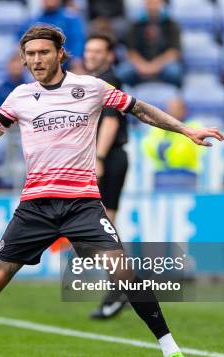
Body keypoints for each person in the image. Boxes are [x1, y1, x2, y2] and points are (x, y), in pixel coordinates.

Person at [0, 25, 224, 357]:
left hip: (82, 204)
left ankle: (172, 352)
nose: (36, 60)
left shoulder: (89, 88)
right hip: (35, 206)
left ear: (60, 53)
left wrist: (186, 129)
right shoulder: (19, 97)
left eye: (43, 53)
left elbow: (140, 110)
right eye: (30, 55)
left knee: (123, 271)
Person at [83, 33, 131, 319]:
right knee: (102, 227)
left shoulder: (108, 80)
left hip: (108, 158)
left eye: (98, 51)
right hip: (106, 158)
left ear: (110, 55)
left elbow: (111, 120)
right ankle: (120, 286)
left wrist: (98, 158)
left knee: (102, 227)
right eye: (89, 50)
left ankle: (121, 287)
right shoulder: (94, 81)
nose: (92, 55)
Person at [142, 98, 203, 190]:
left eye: (176, 108)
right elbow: (147, 145)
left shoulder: (194, 126)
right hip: (162, 175)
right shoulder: (158, 126)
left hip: (186, 175)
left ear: (184, 110)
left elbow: (185, 152)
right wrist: (169, 150)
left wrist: (163, 150)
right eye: (170, 108)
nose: (172, 111)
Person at [117, 0, 182, 86]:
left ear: (162, 3)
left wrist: (154, 66)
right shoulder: (135, 25)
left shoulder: (171, 24)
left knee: (174, 72)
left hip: (164, 64)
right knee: (122, 73)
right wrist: (143, 66)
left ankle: (174, 97)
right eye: (150, 2)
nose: (152, 4)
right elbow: (131, 52)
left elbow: (174, 52)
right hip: (139, 64)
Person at [20, 0, 86, 73]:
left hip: (67, 66)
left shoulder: (70, 18)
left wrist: (76, 60)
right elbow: (20, 42)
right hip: (38, 65)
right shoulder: (33, 20)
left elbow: (77, 40)